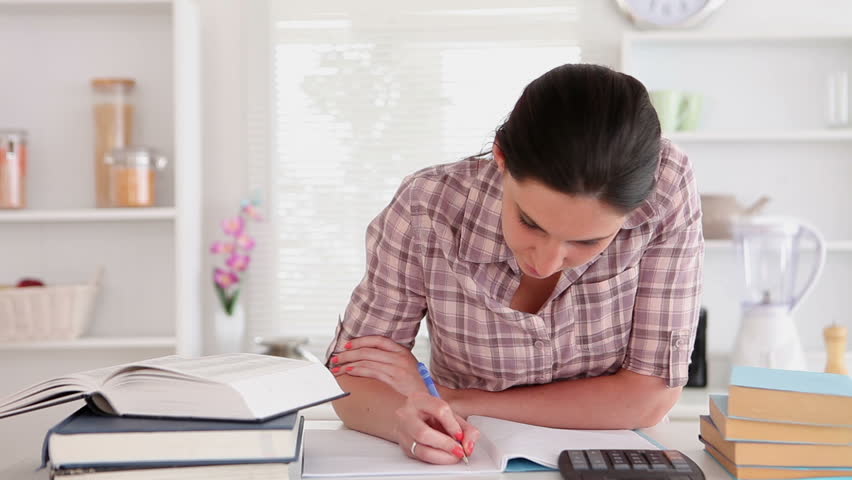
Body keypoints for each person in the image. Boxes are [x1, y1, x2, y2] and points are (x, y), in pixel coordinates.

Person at [324, 63, 703, 465]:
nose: (547, 261)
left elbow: (648, 398)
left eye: (588, 241)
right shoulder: (429, 206)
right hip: (465, 464)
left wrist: (450, 400)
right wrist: (404, 420)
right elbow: (352, 377)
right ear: (502, 158)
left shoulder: (666, 187)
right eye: (530, 223)